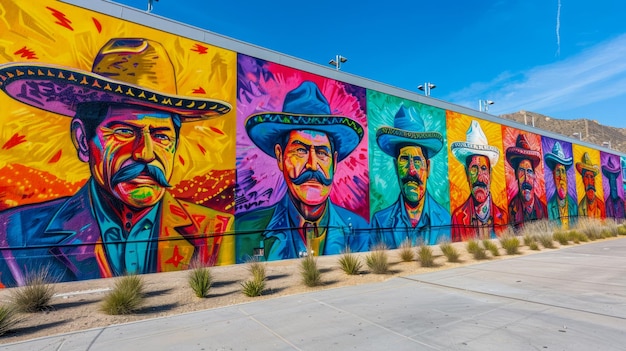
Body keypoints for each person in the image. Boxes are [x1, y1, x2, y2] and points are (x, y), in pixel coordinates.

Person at [0, 38, 234, 287]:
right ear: (82, 141)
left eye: (161, 136)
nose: (145, 153)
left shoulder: (214, 232)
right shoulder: (13, 236)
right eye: (124, 132)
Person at [236, 81, 369, 262]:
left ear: (335, 162)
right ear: (280, 156)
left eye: (322, 153)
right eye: (301, 151)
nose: (313, 165)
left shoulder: (360, 230)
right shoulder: (246, 230)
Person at [371, 105, 450, 248]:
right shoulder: (380, 222)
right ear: (395, 167)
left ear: (428, 168)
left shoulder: (445, 219)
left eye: (418, 161)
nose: (412, 170)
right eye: (404, 160)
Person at [450, 120, 507, 241]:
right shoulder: (458, 217)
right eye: (474, 169)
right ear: (466, 174)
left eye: (484, 168)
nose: (479, 177)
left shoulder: (502, 216)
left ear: (491, 175)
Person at [506, 134, 548, 228]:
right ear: (516, 175)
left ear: (534, 176)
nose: (526, 177)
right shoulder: (510, 210)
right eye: (521, 171)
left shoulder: (544, 209)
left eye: (529, 171)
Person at [544, 141, 578, 228]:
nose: (561, 177)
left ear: (566, 177)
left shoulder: (573, 206)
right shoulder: (549, 207)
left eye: (563, 172)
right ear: (553, 176)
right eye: (558, 172)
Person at [576, 152, 606, 218]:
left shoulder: (601, 205)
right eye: (587, 177)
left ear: (594, 181)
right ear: (583, 180)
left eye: (592, 177)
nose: (590, 181)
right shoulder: (580, 207)